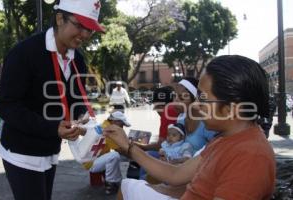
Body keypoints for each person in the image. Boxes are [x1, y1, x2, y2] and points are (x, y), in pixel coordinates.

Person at [104, 55, 276, 200]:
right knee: (129, 186)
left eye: (202, 99)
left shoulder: (250, 157)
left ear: (230, 109)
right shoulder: (225, 138)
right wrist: (129, 146)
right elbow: (176, 174)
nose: (196, 105)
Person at [0, 0, 105, 199]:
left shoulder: (77, 59)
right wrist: (52, 127)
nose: (85, 35)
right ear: (59, 18)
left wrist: (80, 116)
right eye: (79, 26)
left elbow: (76, 99)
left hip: (51, 150)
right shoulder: (24, 53)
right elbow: (6, 106)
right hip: (22, 152)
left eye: (90, 29)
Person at [89, 111, 131, 195]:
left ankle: (115, 180)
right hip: (91, 163)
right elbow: (119, 150)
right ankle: (111, 184)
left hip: (95, 159)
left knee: (119, 156)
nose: (122, 128)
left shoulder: (106, 125)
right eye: (121, 125)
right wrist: (138, 156)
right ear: (116, 121)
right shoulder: (108, 131)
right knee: (115, 156)